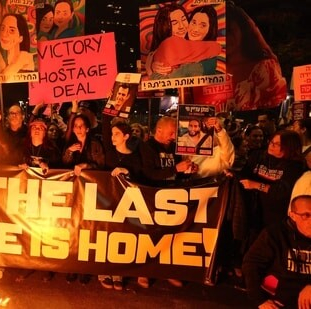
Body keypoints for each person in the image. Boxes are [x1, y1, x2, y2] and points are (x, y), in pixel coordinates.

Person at [137, 116, 195, 288]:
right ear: (159, 130)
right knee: (149, 237)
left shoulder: (174, 148)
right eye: (171, 132)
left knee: (171, 235)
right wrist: (175, 168)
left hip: (172, 195)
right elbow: (149, 173)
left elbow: (176, 172)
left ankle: (167, 270)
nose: (173, 136)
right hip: (152, 196)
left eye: (175, 132)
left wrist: (188, 171)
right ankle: (143, 272)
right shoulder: (146, 148)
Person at [242, 194, 311, 309]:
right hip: (280, 300)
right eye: (306, 215)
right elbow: (251, 264)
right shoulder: (275, 234)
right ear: (293, 216)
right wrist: (260, 300)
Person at [99, 121, 143, 290]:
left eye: (117, 134)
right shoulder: (109, 152)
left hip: (124, 202)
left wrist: (126, 172)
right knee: (104, 234)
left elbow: (139, 177)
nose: (112, 137)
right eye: (112, 134)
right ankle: (103, 272)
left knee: (120, 235)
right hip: (106, 199)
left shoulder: (134, 157)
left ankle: (117, 272)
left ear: (126, 136)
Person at [226, 2, 286, 111]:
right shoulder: (209, 71)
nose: (225, 38)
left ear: (242, 29)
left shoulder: (265, 69)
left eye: (229, 31)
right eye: (218, 33)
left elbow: (275, 103)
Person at [146, 4, 221, 80]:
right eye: (174, 23)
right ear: (164, 27)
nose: (181, 26)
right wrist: (151, 65)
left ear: (210, 28)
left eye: (184, 19)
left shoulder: (208, 59)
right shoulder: (170, 44)